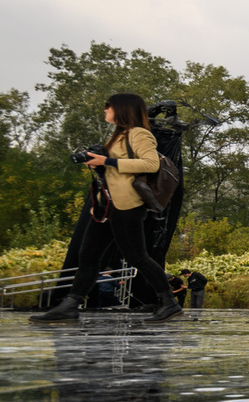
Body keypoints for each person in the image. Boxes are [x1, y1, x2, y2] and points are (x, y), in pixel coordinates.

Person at [30, 94, 181, 323]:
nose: (104, 111)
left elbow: (151, 164)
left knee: (137, 257)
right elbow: (113, 171)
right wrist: (97, 163)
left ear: (121, 109)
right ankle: (70, 304)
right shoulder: (118, 135)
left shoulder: (140, 134)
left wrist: (107, 161)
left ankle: (169, 302)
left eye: (107, 107)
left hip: (127, 206)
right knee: (89, 256)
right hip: (106, 206)